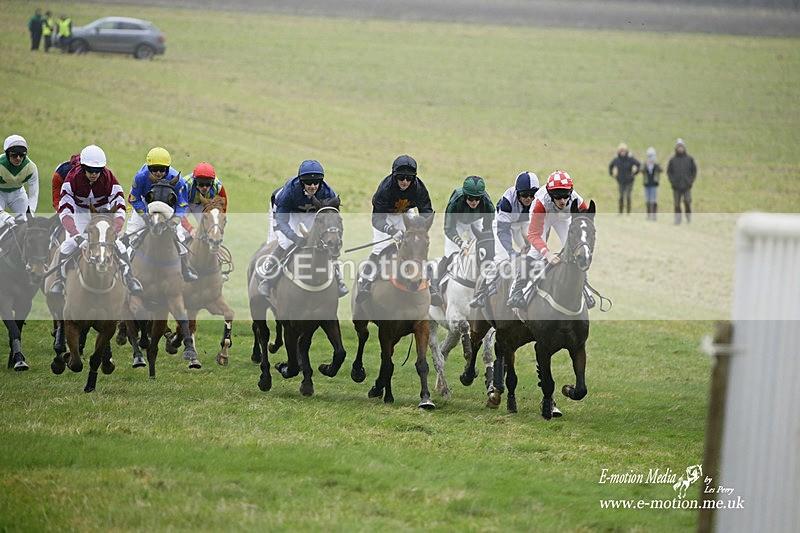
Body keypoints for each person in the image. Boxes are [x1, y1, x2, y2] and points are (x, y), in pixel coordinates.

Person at [49, 145, 143, 296]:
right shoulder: (71, 179)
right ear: (83, 167)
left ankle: (130, 279)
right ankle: (59, 281)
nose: (94, 174)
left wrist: (115, 229)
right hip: (79, 213)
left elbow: (119, 204)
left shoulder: (109, 178)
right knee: (68, 245)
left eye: (97, 171)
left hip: (101, 213)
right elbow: (65, 210)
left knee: (119, 245)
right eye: (90, 170)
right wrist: (75, 234)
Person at [355, 154, 439, 305]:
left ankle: (433, 287)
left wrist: (418, 228)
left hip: (406, 214)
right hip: (384, 216)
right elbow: (376, 219)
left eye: (409, 178)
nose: (405, 182)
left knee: (417, 247)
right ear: (394, 176)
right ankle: (365, 284)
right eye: (401, 178)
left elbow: (426, 211)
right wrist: (392, 230)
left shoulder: (419, 187)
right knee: (379, 250)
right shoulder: (385, 189)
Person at [257, 159, 348, 298]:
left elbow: (331, 220)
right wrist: (295, 237)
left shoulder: (328, 192)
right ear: (301, 182)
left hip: (312, 212)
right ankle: (267, 279)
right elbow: (281, 221)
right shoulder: (289, 191)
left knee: (323, 241)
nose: (312, 186)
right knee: (286, 242)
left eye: (316, 182)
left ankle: (338, 278)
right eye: (308, 182)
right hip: (288, 212)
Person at [507, 170, 595, 309]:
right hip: (545, 217)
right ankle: (517, 291)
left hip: (563, 220)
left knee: (577, 249)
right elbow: (533, 235)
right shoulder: (540, 204)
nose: (562, 201)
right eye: (558, 197)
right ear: (550, 194)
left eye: (565, 196)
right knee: (535, 254)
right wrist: (547, 254)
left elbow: (585, 222)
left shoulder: (578, 201)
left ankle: (585, 289)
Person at [125, 147, 197, 282]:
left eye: (162, 169)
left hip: (167, 209)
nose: (158, 173)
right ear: (148, 167)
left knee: (180, 238)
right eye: (155, 169)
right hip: (146, 205)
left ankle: (185, 270)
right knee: (131, 235)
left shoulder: (178, 180)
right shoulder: (140, 177)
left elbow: (182, 204)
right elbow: (134, 198)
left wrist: (175, 220)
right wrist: (145, 215)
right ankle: (127, 272)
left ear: (168, 168)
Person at [469, 171, 539, 308]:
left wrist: (530, 243)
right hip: (503, 225)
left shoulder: (539, 200)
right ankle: (481, 293)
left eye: (532, 195)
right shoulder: (508, 201)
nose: (528, 199)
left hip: (524, 223)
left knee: (535, 255)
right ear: (518, 192)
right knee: (502, 258)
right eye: (524, 195)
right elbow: (503, 232)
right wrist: (511, 250)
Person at [433, 175, 494, 294]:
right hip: (457, 223)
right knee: (449, 253)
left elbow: (488, 229)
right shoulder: (455, 202)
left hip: (476, 222)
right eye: (471, 198)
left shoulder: (487, 204)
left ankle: (489, 282)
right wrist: (460, 242)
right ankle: (434, 285)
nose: (474, 202)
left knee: (485, 251)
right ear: (465, 196)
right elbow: (448, 228)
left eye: (478, 199)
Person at [180, 161, 228, 232]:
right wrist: (190, 229)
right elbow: (178, 211)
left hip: (201, 205)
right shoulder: (185, 184)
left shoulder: (218, 186)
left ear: (212, 183)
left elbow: (222, 209)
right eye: (201, 184)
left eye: (208, 184)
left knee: (209, 227)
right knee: (178, 227)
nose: (204, 188)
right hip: (185, 205)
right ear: (195, 182)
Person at [0, 135, 39, 215]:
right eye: (14, 155)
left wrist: (31, 210)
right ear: (7, 154)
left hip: (18, 194)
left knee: (26, 222)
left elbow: (34, 193)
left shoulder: (31, 167)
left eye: (21, 155)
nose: (18, 158)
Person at [667, 138, 697, 225]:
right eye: (678, 147)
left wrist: (690, 181)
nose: (680, 148)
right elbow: (669, 172)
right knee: (677, 204)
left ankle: (688, 218)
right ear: (676, 148)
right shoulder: (673, 160)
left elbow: (694, 171)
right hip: (676, 186)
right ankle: (677, 220)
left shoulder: (689, 159)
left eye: (681, 147)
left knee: (687, 201)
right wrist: (672, 181)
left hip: (687, 185)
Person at [609, 142, 640, 215]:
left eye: (624, 150)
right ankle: (620, 212)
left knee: (628, 196)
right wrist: (612, 174)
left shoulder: (630, 158)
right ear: (619, 151)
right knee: (621, 196)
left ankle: (628, 212)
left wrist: (635, 173)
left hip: (629, 180)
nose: (623, 152)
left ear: (626, 151)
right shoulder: (617, 159)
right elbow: (610, 166)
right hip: (620, 180)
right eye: (621, 150)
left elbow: (638, 165)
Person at [642, 147, 662, 221]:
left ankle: (654, 216)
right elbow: (641, 170)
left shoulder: (656, 165)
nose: (651, 158)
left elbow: (661, 170)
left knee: (654, 200)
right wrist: (646, 165)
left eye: (652, 156)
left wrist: (656, 164)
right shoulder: (645, 164)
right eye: (649, 156)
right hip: (646, 184)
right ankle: (648, 215)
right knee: (647, 200)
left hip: (654, 184)